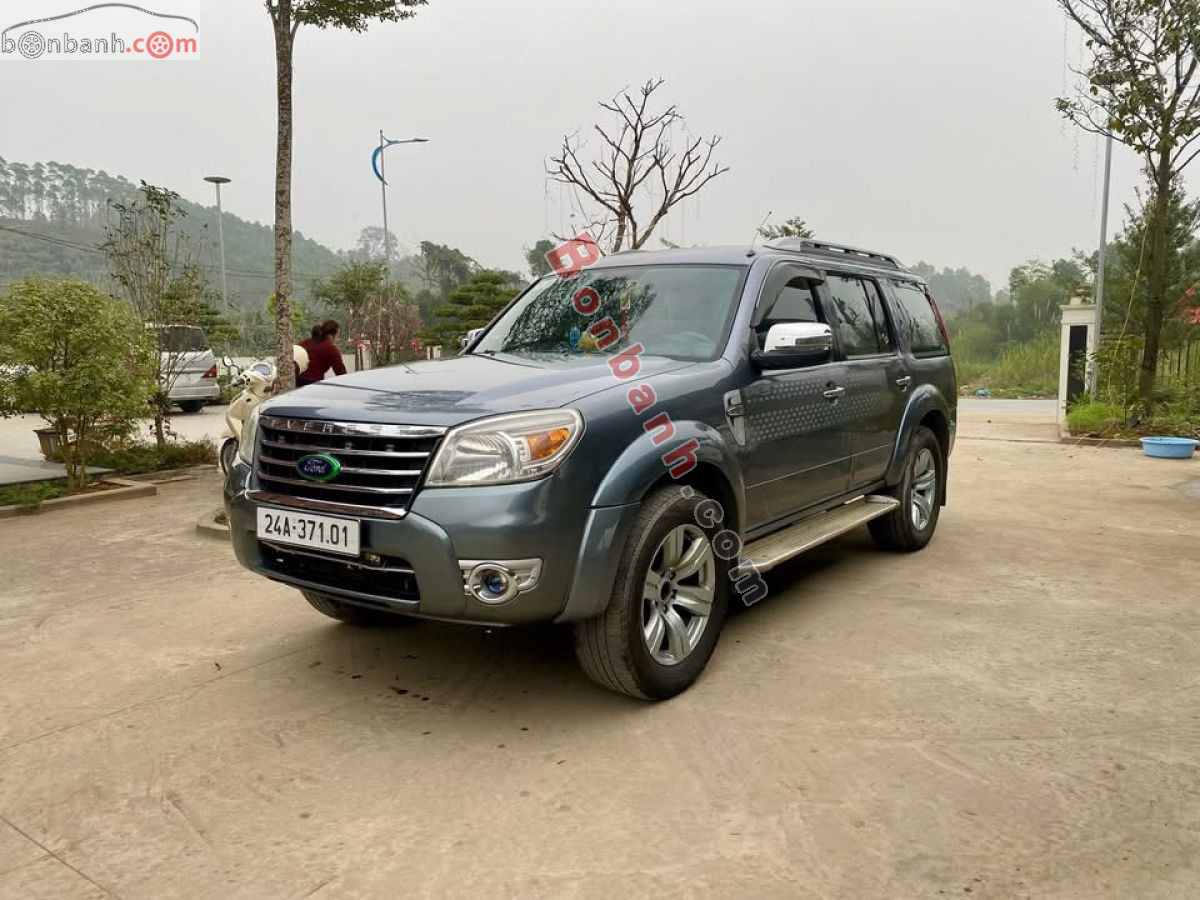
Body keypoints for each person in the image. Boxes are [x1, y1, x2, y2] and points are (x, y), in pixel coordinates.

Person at [297, 320, 347, 387]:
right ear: (331, 335)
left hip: (296, 384)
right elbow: (341, 373)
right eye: (337, 336)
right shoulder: (331, 349)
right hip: (314, 385)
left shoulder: (303, 343)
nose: (336, 339)